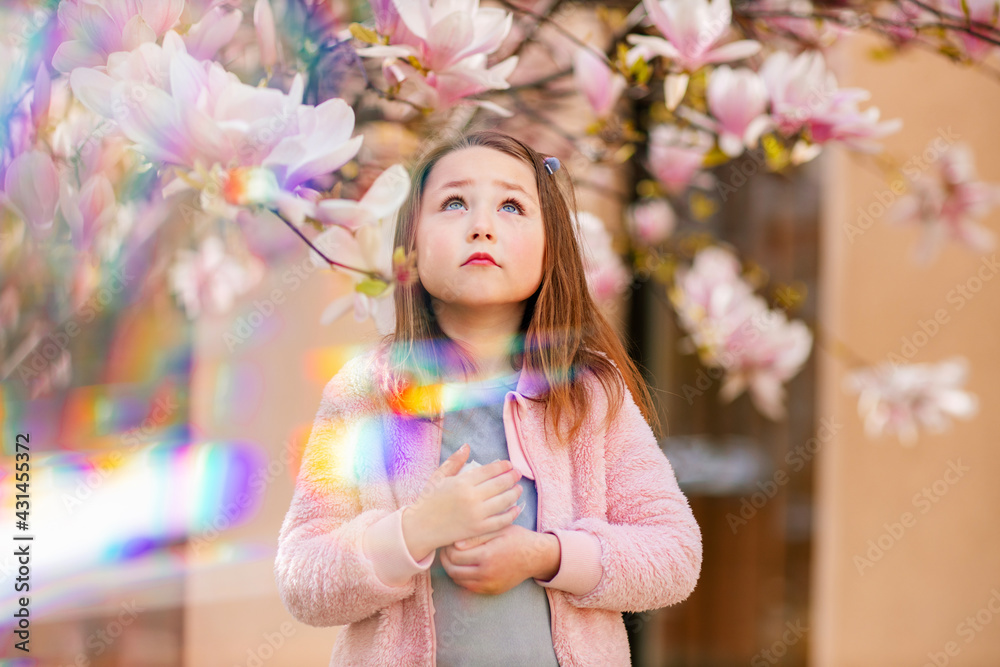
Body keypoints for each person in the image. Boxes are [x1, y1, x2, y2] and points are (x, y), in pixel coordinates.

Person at [274, 130, 702, 666]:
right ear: (409, 245)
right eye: (454, 202)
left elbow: (674, 554)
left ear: (552, 246)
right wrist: (417, 529)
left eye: (511, 205)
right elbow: (303, 575)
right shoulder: (367, 393)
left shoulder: (589, 395)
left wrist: (544, 555)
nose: (482, 225)